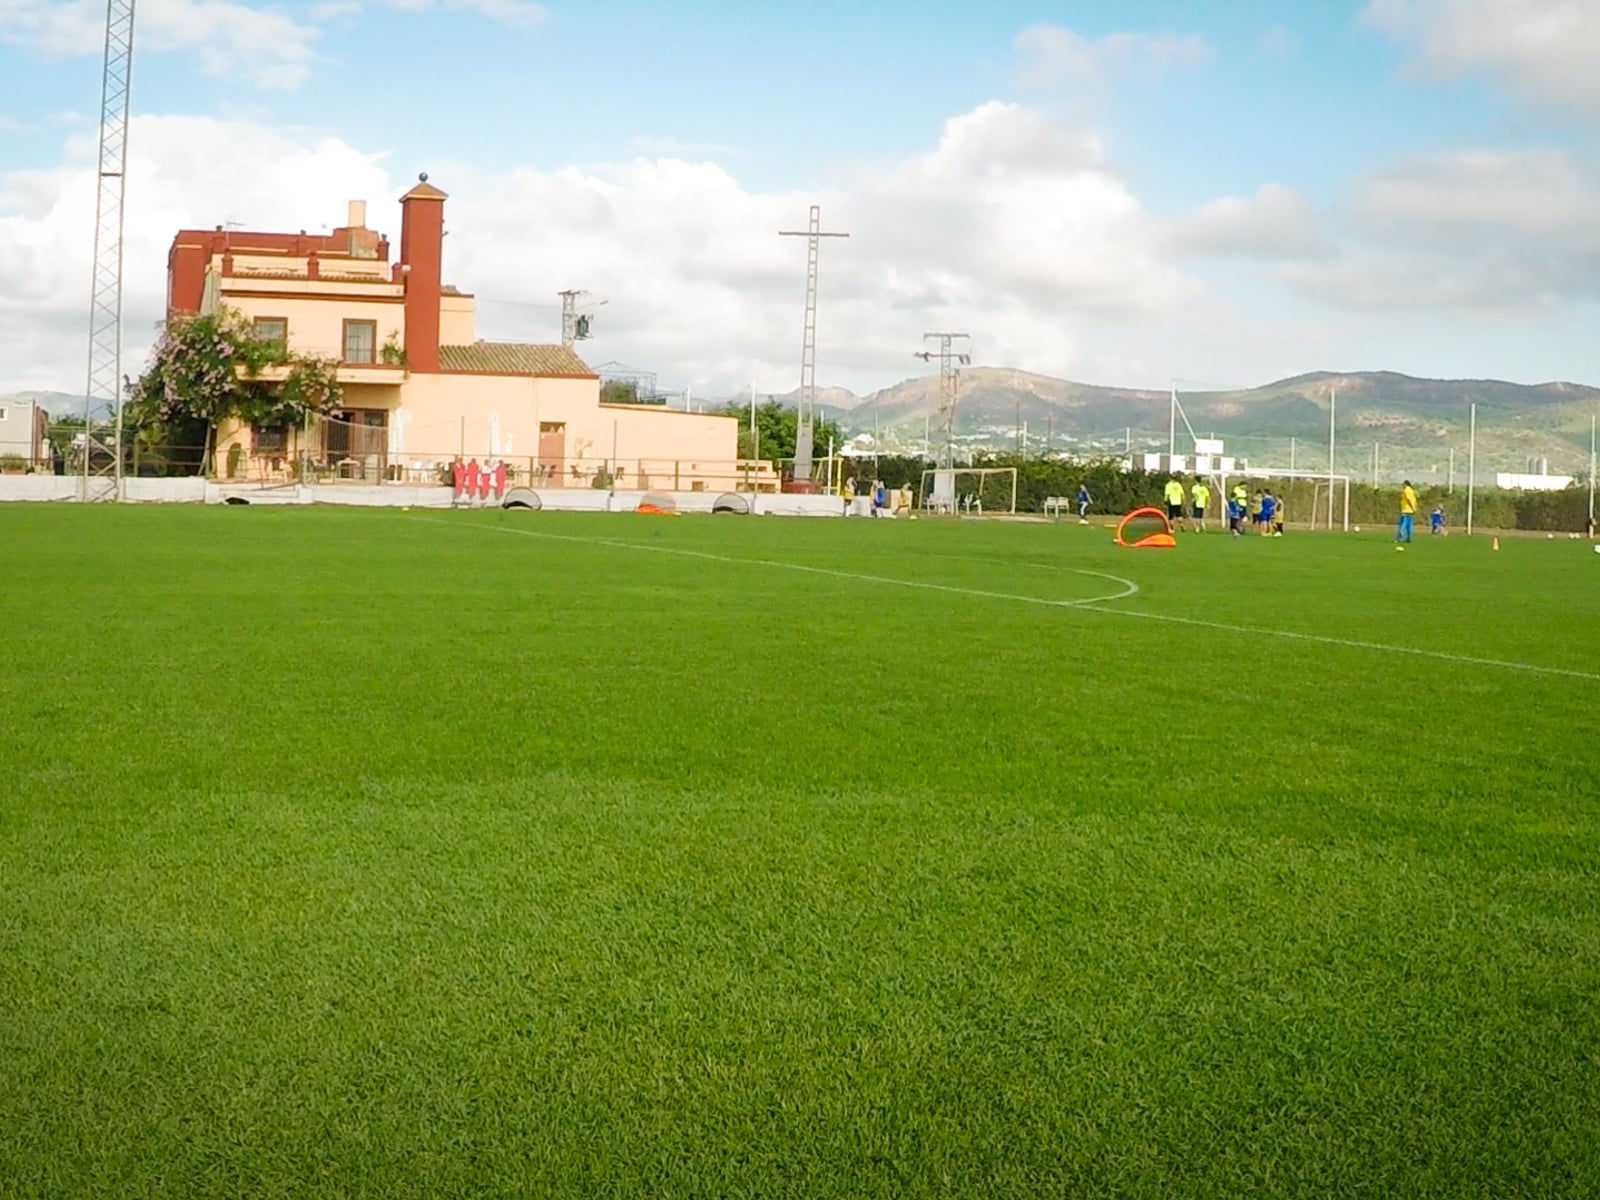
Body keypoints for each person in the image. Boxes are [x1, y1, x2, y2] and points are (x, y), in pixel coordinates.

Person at [1396, 479, 1418, 544]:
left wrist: (1412, 507)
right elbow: (1414, 500)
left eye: (1403, 484)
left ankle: (1400, 538)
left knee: (1403, 524)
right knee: (1409, 525)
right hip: (1410, 510)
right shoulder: (1411, 490)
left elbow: (1408, 500)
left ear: (1406, 484)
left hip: (1406, 509)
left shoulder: (1406, 490)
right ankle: (1408, 538)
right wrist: (1414, 508)